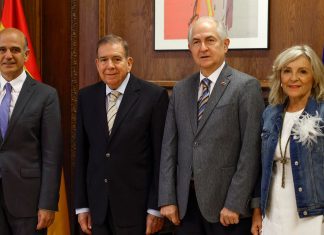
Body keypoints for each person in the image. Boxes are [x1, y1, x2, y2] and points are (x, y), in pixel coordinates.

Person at [158, 16, 264, 235]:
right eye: (196, 42)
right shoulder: (180, 90)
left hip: (227, 208)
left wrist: (236, 201)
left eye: (210, 40)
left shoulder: (245, 86)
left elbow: (251, 151)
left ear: (225, 44)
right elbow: (169, 148)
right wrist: (167, 198)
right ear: (189, 48)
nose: (203, 48)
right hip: (186, 206)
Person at [74, 34, 169, 235]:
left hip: (137, 211)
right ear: (97, 63)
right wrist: (82, 206)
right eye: (104, 60)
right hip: (97, 211)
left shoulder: (154, 97)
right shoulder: (86, 97)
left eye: (117, 59)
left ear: (129, 62)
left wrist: (155, 207)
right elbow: (82, 155)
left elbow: (162, 158)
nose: (110, 66)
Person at [251, 45, 324, 235]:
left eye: (302, 71)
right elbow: (260, 168)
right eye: (287, 71)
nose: (293, 78)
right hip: (273, 210)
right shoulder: (270, 113)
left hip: (313, 214)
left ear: (314, 76)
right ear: (280, 77)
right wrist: (257, 212)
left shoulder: (322, 114)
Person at [0, 28, 62, 234]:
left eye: (15, 50)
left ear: (26, 55)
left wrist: (47, 203)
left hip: (28, 203)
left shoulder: (46, 95)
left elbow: (52, 155)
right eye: (2, 49)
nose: (8, 55)